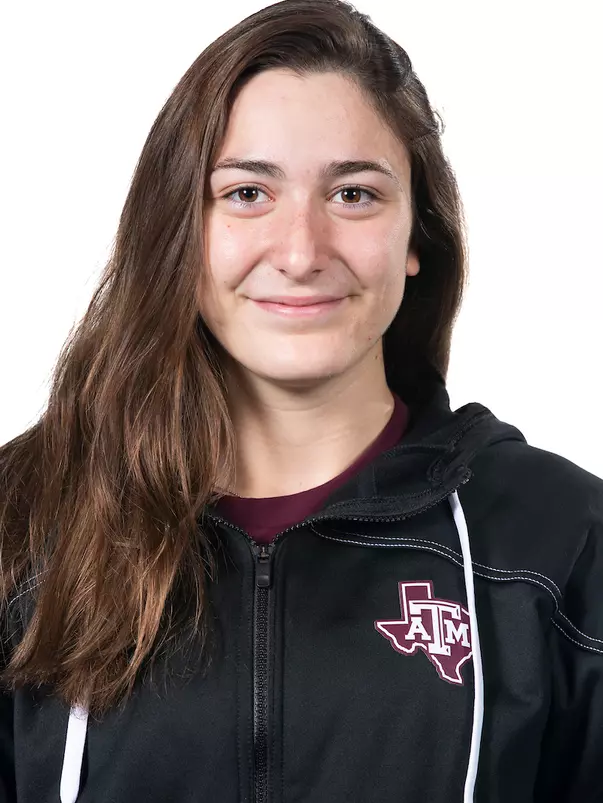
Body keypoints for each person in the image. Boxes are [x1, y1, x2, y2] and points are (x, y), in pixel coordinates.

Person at [0, 0, 601, 800]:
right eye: (248, 193)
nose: (300, 251)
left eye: (353, 195)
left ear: (415, 236)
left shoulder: (556, 543)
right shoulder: (28, 517)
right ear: (180, 227)